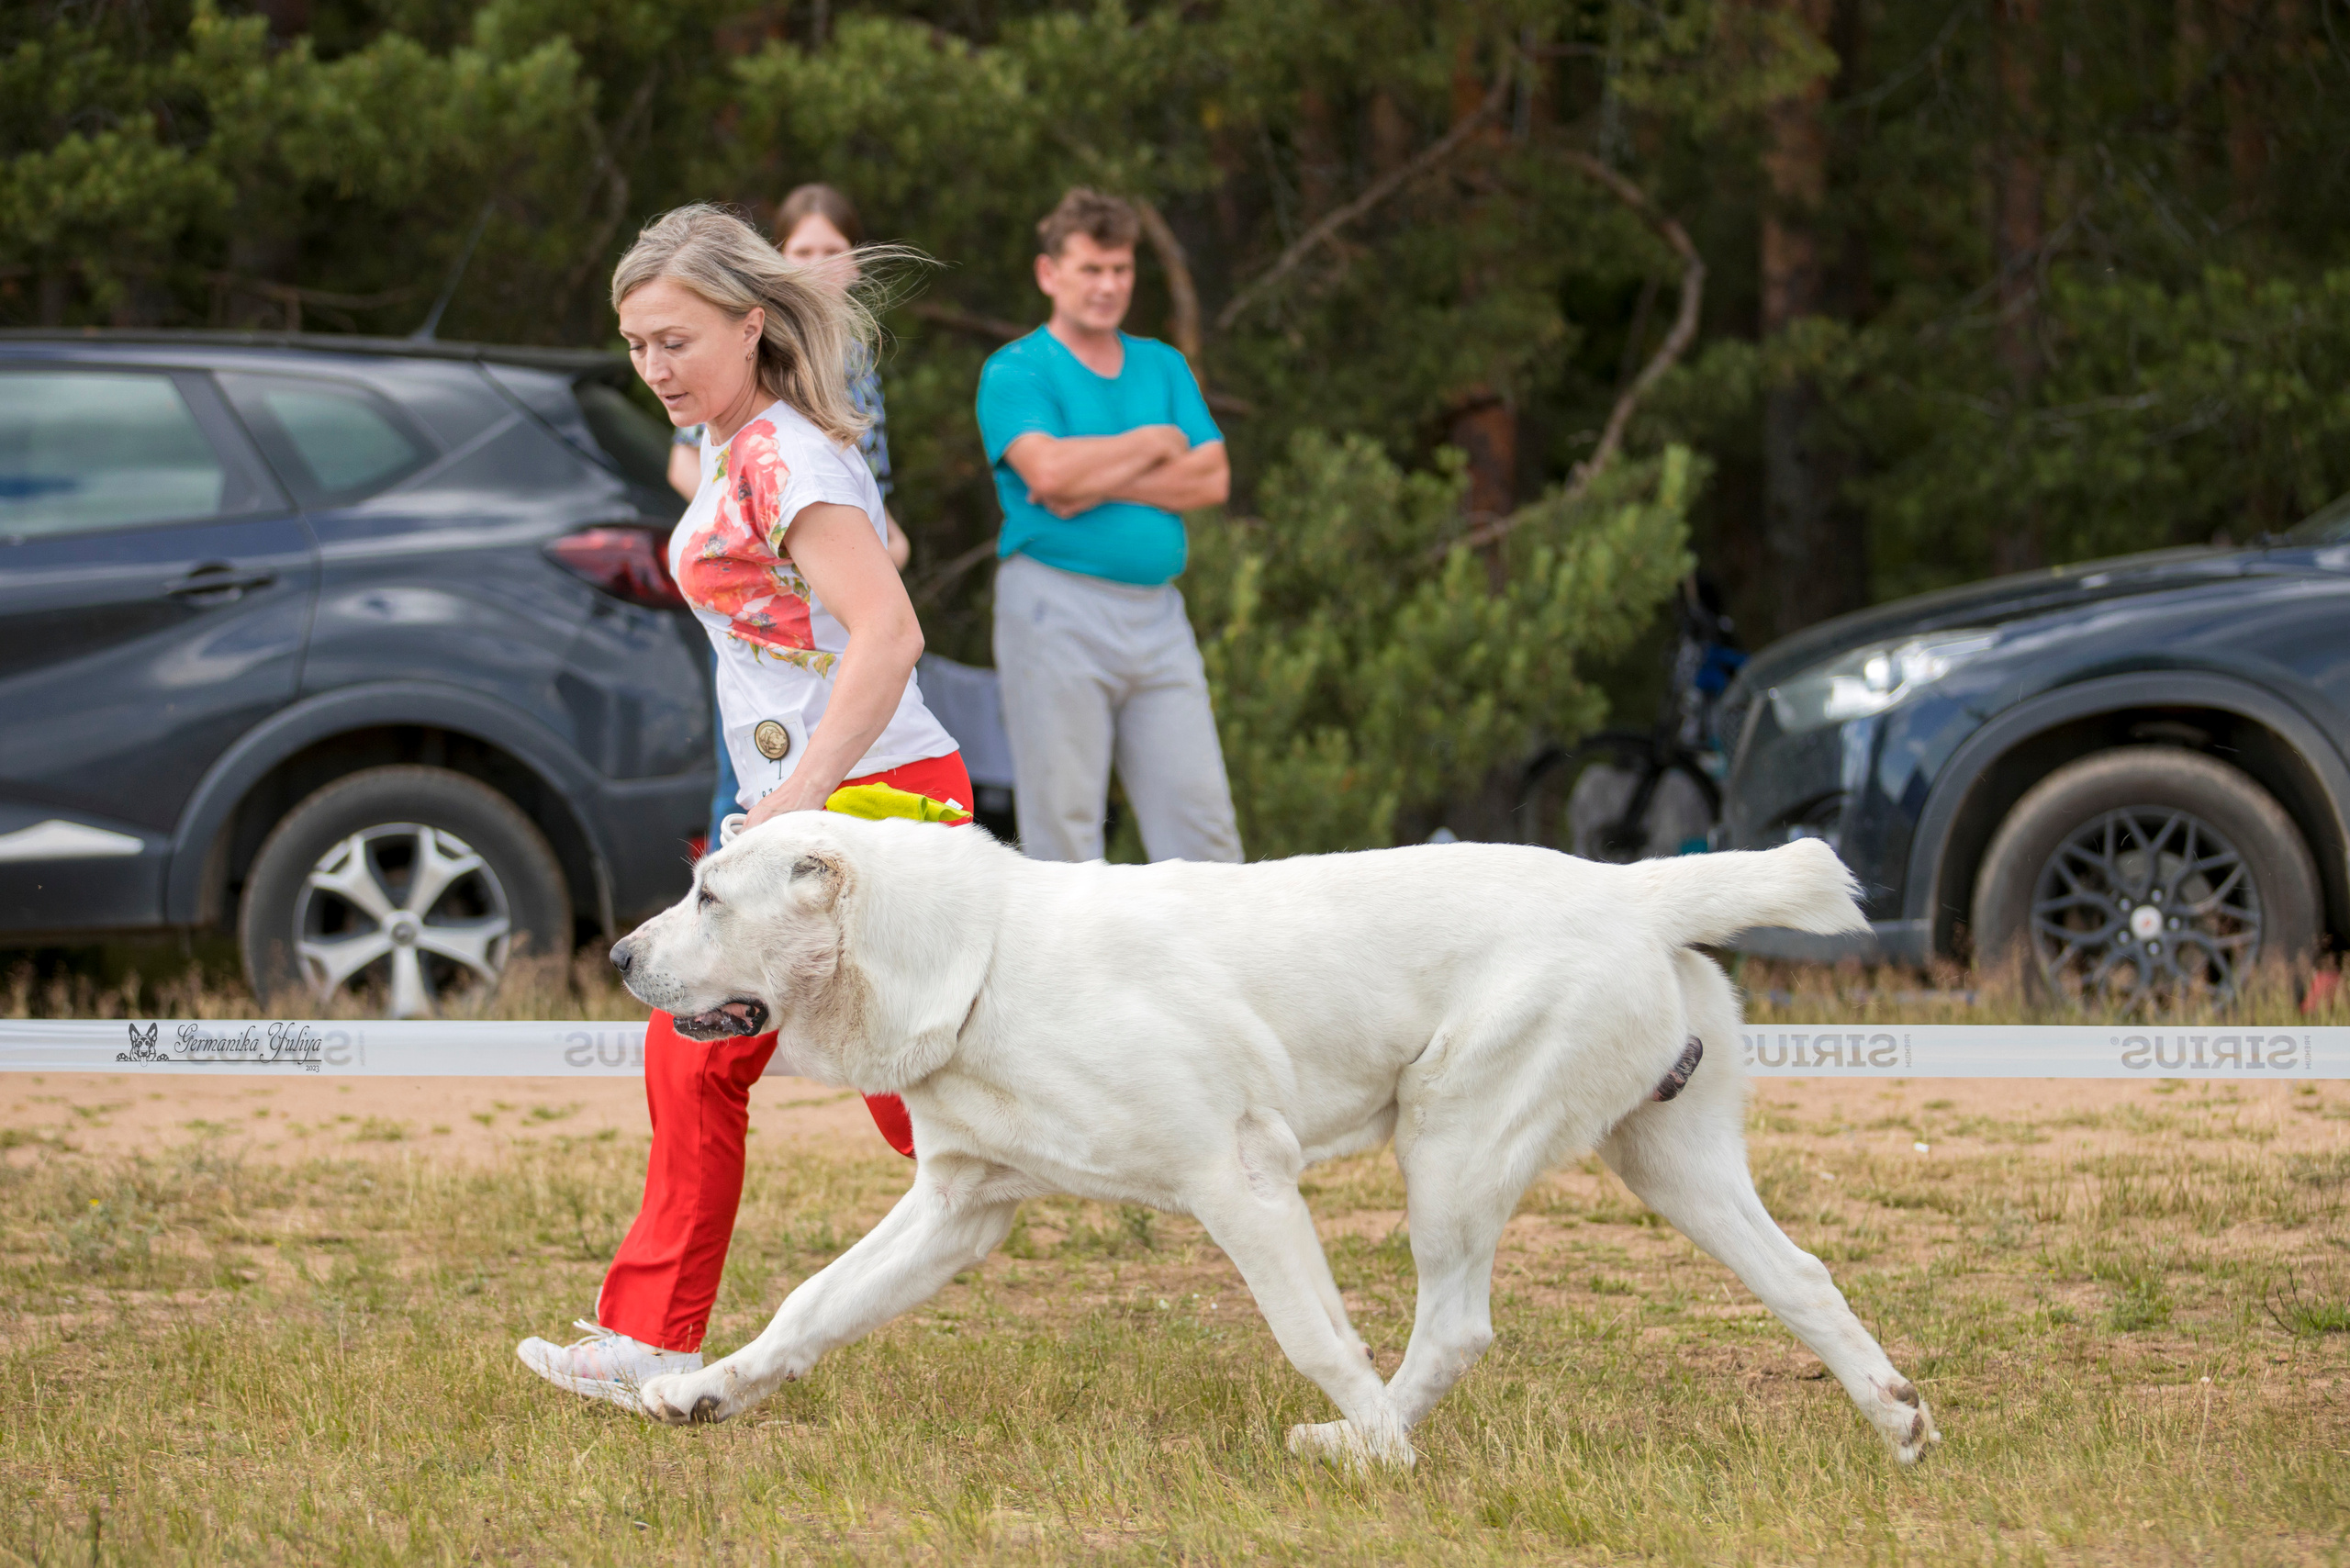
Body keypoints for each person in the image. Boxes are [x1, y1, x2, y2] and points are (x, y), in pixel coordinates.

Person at [518, 203, 968, 1407]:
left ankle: (1182, 1162)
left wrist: (801, 798)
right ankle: (650, 1339)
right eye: (635, 345)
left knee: (935, 1098)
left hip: (877, 803)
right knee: (728, 1056)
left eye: (675, 341)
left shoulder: (787, 457)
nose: (653, 368)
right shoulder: (734, 446)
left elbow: (891, 632)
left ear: (750, 324)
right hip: (827, 801)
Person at [978, 188, 1243, 864]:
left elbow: (1211, 479)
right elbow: (1049, 473)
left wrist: (1094, 479)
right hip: (1054, 608)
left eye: (1120, 269)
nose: (1108, 285)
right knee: (1064, 825)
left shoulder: (1162, 363)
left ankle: (1220, 940)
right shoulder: (1016, 369)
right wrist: (1155, 441)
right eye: (1090, 269)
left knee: (1203, 823)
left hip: (1158, 615)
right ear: (1049, 273)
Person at [669, 186, 911, 855]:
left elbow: (859, 480)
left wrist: (880, 543)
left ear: (856, 261)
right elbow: (691, 466)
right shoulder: (739, 361)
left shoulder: (856, 356)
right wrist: (769, 529)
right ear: (777, 261)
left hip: (833, 578)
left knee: (846, 755)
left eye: (835, 249)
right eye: (804, 251)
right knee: (752, 768)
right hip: (759, 592)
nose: (821, 264)